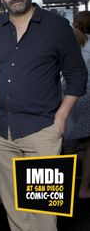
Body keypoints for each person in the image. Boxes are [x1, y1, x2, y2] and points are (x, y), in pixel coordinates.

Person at [0, 0, 88, 231]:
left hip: (42, 131)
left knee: (43, 214)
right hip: (1, 134)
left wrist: (62, 116)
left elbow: (78, 75)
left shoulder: (56, 27)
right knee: (14, 211)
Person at [67, 11, 90, 199]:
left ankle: (60, 186)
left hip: (67, 96)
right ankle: (83, 189)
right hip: (87, 98)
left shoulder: (71, 42)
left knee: (68, 142)